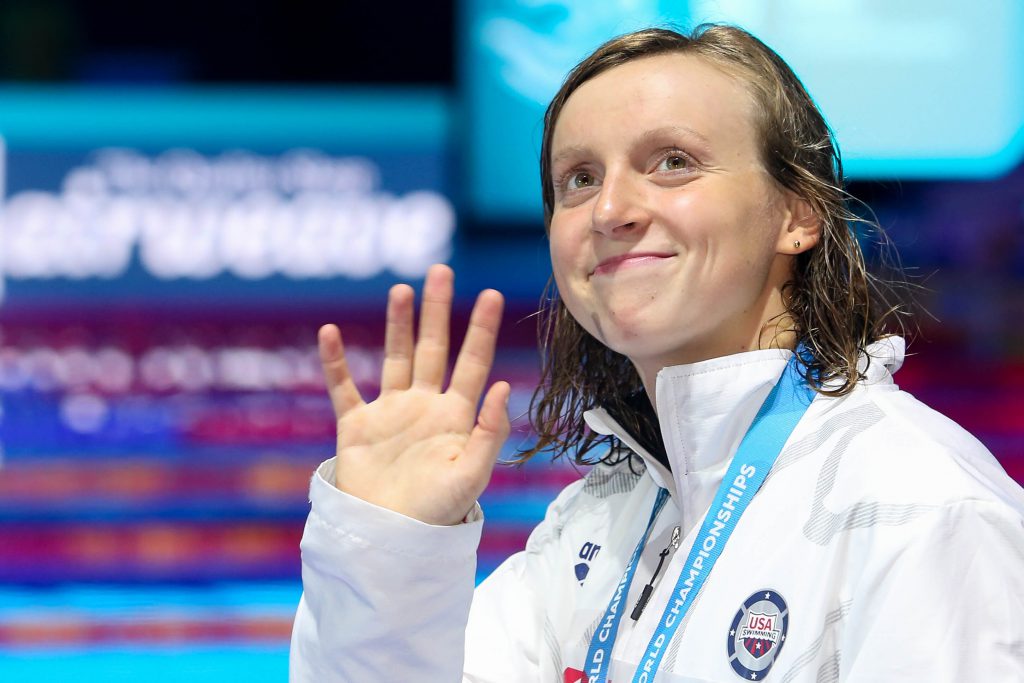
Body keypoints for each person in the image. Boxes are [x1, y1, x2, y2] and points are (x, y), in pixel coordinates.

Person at [289, 24, 1024, 682]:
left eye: (673, 161)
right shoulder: (594, 526)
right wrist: (390, 552)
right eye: (579, 179)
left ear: (798, 214)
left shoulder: (919, 508)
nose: (609, 210)